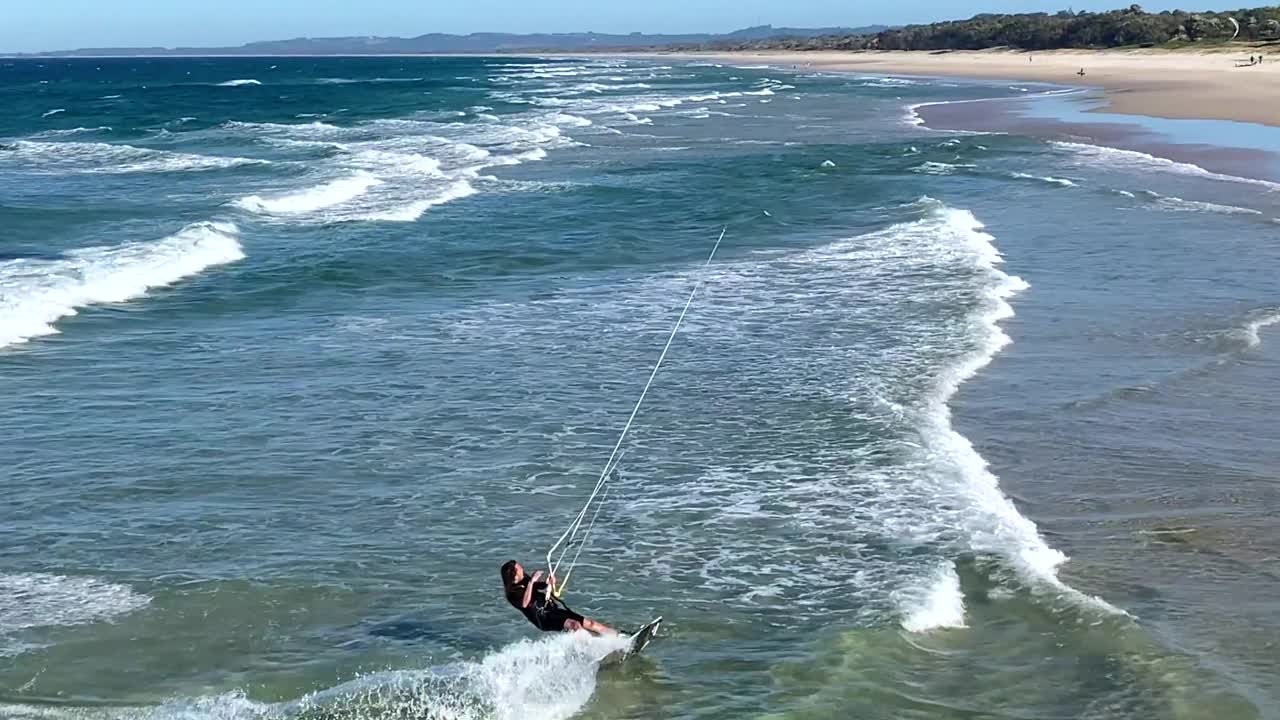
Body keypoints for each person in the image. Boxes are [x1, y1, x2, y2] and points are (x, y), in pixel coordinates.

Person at [500, 560, 618, 635]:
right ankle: (592, 649)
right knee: (575, 625)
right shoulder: (512, 594)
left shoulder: (525, 580)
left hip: (553, 610)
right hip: (544, 619)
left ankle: (617, 637)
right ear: (514, 573)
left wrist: (548, 583)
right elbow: (524, 603)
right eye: (519, 568)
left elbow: (539, 586)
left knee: (590, 623)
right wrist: (531, 582)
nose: (522, 569)